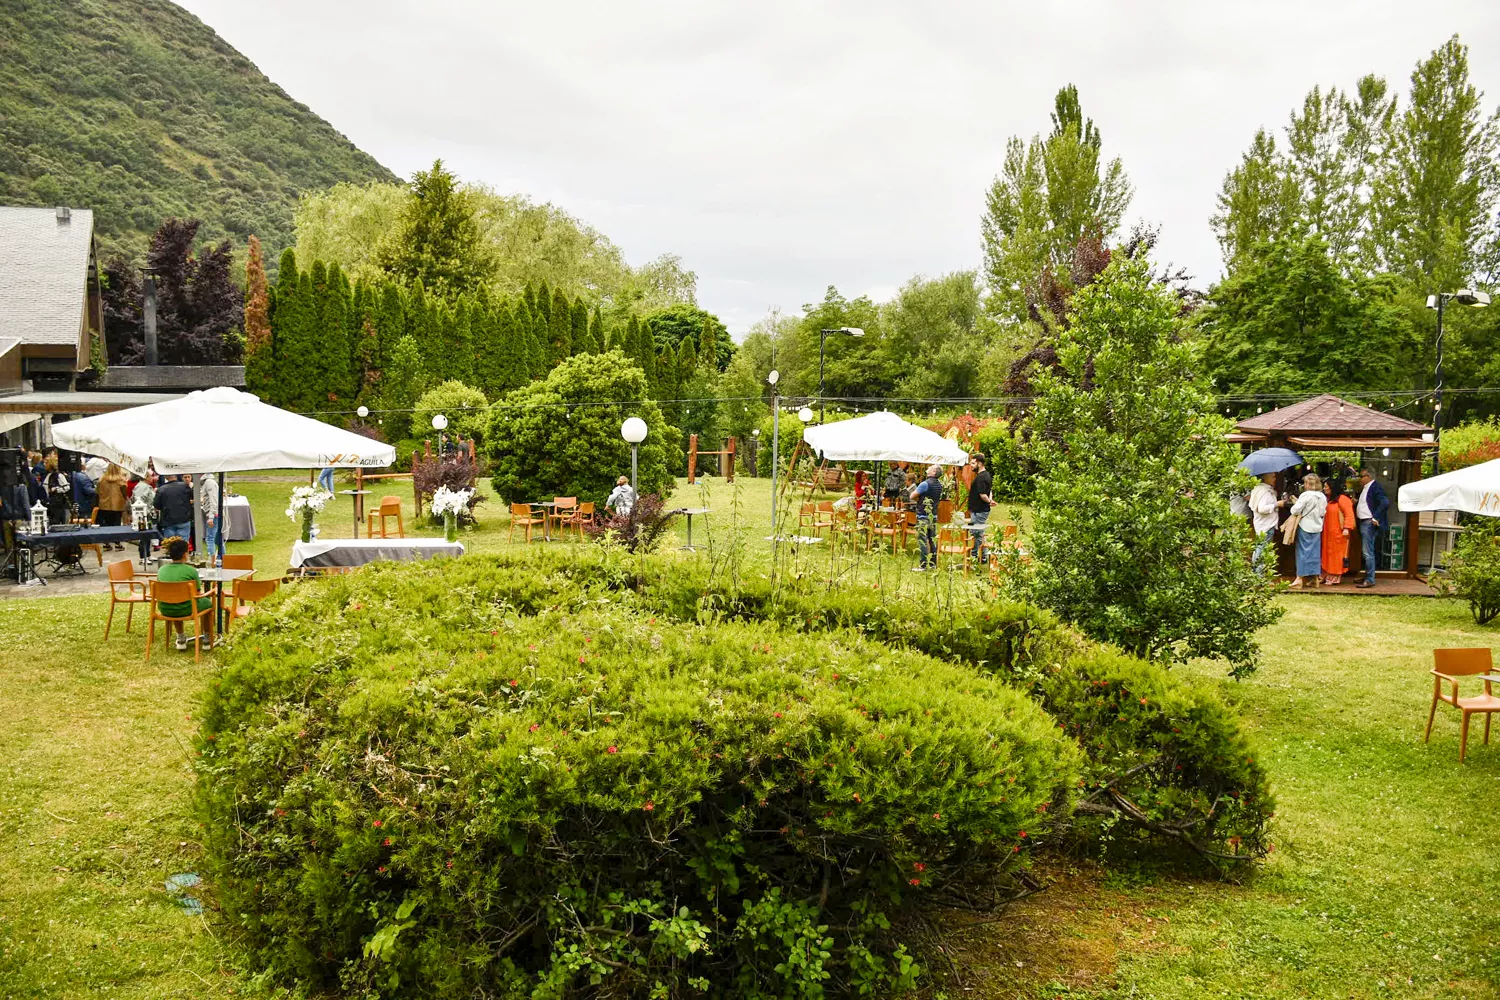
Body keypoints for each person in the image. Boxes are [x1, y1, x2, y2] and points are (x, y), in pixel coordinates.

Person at [155, 537, 216, 651]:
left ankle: (181, 637)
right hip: (187, 608)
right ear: (185, 554)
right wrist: (211, 592)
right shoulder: (191, 570)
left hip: (165, 608)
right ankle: (207, 638)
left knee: (174, 598)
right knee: (207, 603)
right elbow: (197, 593)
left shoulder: (162, 570)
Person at [1287, 473, 1327, 589]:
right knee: (1314, 553)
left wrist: (1296, 503)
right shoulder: (1322, 496)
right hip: (1317, 527)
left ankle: (1299, 579)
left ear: (1307, 484)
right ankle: (1315, 579)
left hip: (1305, 526)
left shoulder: (1305, 495)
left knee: (1302, 552)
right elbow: (1322, 512)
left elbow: (1294, 510)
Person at [1353, 467, 1389, 589]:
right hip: (1364, 521)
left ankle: (1370, 579)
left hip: (1368, 522)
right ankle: (1367, 576)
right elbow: (1367, 503)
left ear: (1368, 477)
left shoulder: (1375, 486)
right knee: (1366, 551)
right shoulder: (1366, 488)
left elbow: (1385, 502)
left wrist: (1376, 517)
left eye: (1361, 476)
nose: (1360, 479)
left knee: (1367, 552)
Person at [1319, 478, 1355, 585]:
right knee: (1327, 553)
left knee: (1337, 555)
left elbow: (1349, 514)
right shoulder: (1329, 499)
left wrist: (1346, 528)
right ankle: (1327, 572)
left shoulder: (1343, 499)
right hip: (1328, 532)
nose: (1324, 488)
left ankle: (1335, 575)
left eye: (1326, 486)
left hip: (1339, 532)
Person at [1247, 472, 1285, 572]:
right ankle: (1258, 575)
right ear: (1266, 478)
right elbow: (1262, 509)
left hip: (1263, 524)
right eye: (1273, 477)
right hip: (1266, 525)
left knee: (1260, 548)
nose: (1275, 479)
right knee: (1262, 550)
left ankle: (1257, 573)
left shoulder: (1261, 489)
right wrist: (1277, 504)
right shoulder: (1264, 491)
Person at [909, 464, 944, 572]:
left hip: (923, 515)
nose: (928, 468)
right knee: (932, 540)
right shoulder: (940, 485)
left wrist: (919, 500)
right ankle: (933, 564)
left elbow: (912, 496)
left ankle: (923, 565)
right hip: (933, 515)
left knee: (923, 541)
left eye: (931, 468)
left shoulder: (924, 484)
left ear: (934, 473)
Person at [154, 474, 195, 548]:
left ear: (166, 477)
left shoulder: (161, 489)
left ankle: (172, 557)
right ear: (176, 477)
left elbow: (157, 505)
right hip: (184, 518)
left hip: (168, 520)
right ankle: (182, 557)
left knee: (170, 545)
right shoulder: (185, 486)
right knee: (183, 544)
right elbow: (192, 497)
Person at [966, 453, 993, 563]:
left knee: (976, 533)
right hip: (978, 510)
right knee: (978, 532)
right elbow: (990, 491)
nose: (971, 465)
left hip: (979, 511)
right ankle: (983, 555)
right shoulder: (987, 475)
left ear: (980, 463)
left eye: (973, 463)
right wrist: (990, 501)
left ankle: (976, 555)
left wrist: (989, 501)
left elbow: (983, 494)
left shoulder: (981, 478)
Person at [95, 464, 130, 550]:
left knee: (106, 525)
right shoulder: (121, 480)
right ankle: (117, 544)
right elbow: (125, 492)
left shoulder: (101, 479)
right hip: (117, 505)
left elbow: (97, 491)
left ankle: (106, 544)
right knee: (116, 524)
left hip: (104, 505)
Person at [41, 453, 72, 526]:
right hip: (51, 504)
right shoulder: (48, 475)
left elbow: (67, 487)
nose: (44, 464)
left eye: (46, 463)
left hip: (58, 505)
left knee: (57, 523)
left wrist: (56, 489)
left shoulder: (59, 475)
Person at [199, 472, 221, 561]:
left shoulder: (209, 482)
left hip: (212, 514)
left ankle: (212, 561)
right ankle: (221, 557)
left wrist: (211, 516)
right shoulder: (207, 482)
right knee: (216, 538)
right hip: (210, 512)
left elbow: (213, 499)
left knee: (210, 538)